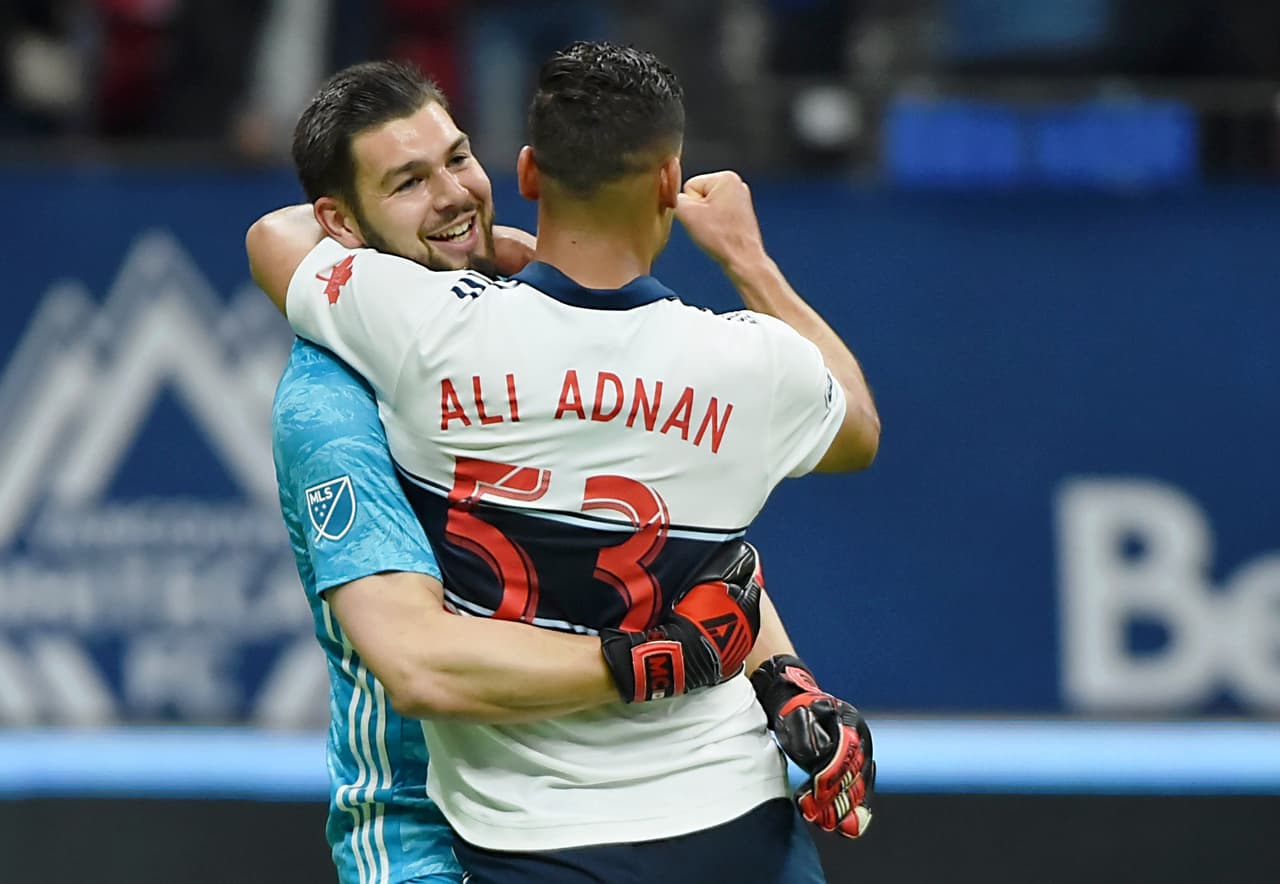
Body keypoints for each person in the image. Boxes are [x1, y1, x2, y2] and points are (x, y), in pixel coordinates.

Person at [248, 46, 876, 882]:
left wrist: (781, 675)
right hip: (421, 823)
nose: (453, 196)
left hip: (553, 823)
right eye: (408, 183)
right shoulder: (330, 400)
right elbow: (419, 664)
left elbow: (689, 561)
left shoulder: (429, 328)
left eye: (460, 158)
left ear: (523, 168)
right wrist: (655, 661)